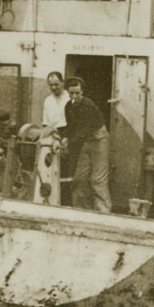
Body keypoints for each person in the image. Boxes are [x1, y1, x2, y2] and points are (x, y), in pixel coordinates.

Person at [62, 77, 110, 213]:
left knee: (98, 180)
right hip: (85, 141)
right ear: (67, 92)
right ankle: (81, 211)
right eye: (71, 93)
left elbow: (82, 130)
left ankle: (103, 212)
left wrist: (67, 144)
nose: (74, 96)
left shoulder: (88, 105)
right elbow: (70, 127)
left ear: (82, 91)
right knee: (79, 178)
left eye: (77, 93)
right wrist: (65, 137)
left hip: (99, 140)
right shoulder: (68, 107)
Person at [38, 71, 69, 204]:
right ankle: (52, 201)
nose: (54, 87)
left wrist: (64, 137)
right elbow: (45, 123)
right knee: (51, 171)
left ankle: (66, 203)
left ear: (62, 83)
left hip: (67, 135)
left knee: (66, 172)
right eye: (51, 85)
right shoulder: (48, 101)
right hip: (53, 137)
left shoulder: (69, 98)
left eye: (56, 84)